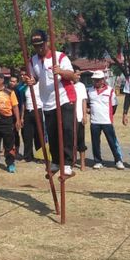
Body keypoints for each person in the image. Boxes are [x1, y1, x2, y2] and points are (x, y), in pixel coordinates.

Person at [22, 29, 77, 177]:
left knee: (66, 130)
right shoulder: (33, 60)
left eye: (41, 44)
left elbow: (73, 76)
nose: (38, 48)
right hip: (47, 101)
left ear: (46, 43)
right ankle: (56, 162)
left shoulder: (59, 57)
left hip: (65, 97)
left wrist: (61, 72)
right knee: (52, 133)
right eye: (35, 45)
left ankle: (67, 164)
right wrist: (29, 80)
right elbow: (33, 78)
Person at [87, 70, 124, 170]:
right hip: (94, 121)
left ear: (103, 80)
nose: (96, 82)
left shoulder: (110, 90)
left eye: (98, 80)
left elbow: (114, 106)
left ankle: (118, 160)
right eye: (94, 80)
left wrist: (109, 115)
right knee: (95, 142)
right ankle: (98, 161)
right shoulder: (90, 91)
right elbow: (87, 104)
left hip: (107, 121)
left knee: (112, 141)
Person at [21, 81, 43, 162]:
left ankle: (40, 156)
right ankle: (27, 156)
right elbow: (24, 103)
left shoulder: (40, 85)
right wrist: (22, 116)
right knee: (27, 136)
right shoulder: (25, 87)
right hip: (28, 112)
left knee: (39, 135)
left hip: (38, 110)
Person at [72, 67, 88, 169]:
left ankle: (82, 163)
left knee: (80, 140)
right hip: (69, 118)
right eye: (77, 74)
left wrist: (84, 115)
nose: (79, 77)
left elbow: (83, 101)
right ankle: (72, 161)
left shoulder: (81, 86)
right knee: (70, 141)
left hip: (79, 117)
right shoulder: (66, 85)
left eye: (79, 75)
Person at [8, 75, 26, 153]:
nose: (12, 83)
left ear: (17, 82)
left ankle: (17, 150)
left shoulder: (18, 91)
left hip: (16, 114)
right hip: (7, 114)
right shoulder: (6, 90)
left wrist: (20, 117)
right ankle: (9, 148)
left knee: (15, 132)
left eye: (14, 81)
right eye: (11, 81)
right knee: (8, 133)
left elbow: (21, 104)